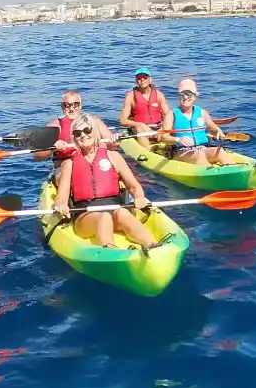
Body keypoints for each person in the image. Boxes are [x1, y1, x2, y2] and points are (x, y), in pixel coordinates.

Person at [52, 114, 159, 251]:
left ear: (95, 131)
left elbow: (133, 186)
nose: (83, 135)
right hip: (85, 215)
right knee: (104, 216)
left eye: (87, 130)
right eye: (78, 133)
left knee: (123, 213)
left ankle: (152, 246)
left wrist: (139, 197)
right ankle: (110, 250)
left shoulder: (113, 156)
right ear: (74, 138)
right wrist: (61, 205)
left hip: (115, 208)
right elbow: (62, 196)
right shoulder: (69, 163)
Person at [158, 78, 237, 168]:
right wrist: (178, 140)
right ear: (178, 96)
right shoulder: (171, 114)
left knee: (220, 151)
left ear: (195, 96)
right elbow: (163, 137)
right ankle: (212, 176)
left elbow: (214, 129)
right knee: (198, 155)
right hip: (181, 152)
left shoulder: (202, 113)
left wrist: (218, 133)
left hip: (202, 148)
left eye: (189, 94)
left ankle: (233, 171)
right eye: (182, 94)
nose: (185, 97)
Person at [34, 89, 119, 164]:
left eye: (75, 104)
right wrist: (53, 146)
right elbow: (37, 156)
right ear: (62, 106)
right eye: (67, 105)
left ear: (80, 106)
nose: (71, 109)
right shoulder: (52, 127)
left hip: (92, 162)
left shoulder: (95, 122)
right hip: (65, 165)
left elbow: (113, 145)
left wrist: (113, 142)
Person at [118, 68, 169, 141]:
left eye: (145, 77)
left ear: (150, 80)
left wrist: (162, 128)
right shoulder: (130, 96)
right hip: (140, 130)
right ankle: (147, 149)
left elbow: (168, 115)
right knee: (138, 129)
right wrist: (140, 125)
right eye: (139, 78)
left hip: (157, 128)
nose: (142, 80)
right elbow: (123, 120)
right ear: (136, 81)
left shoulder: (159, 95)